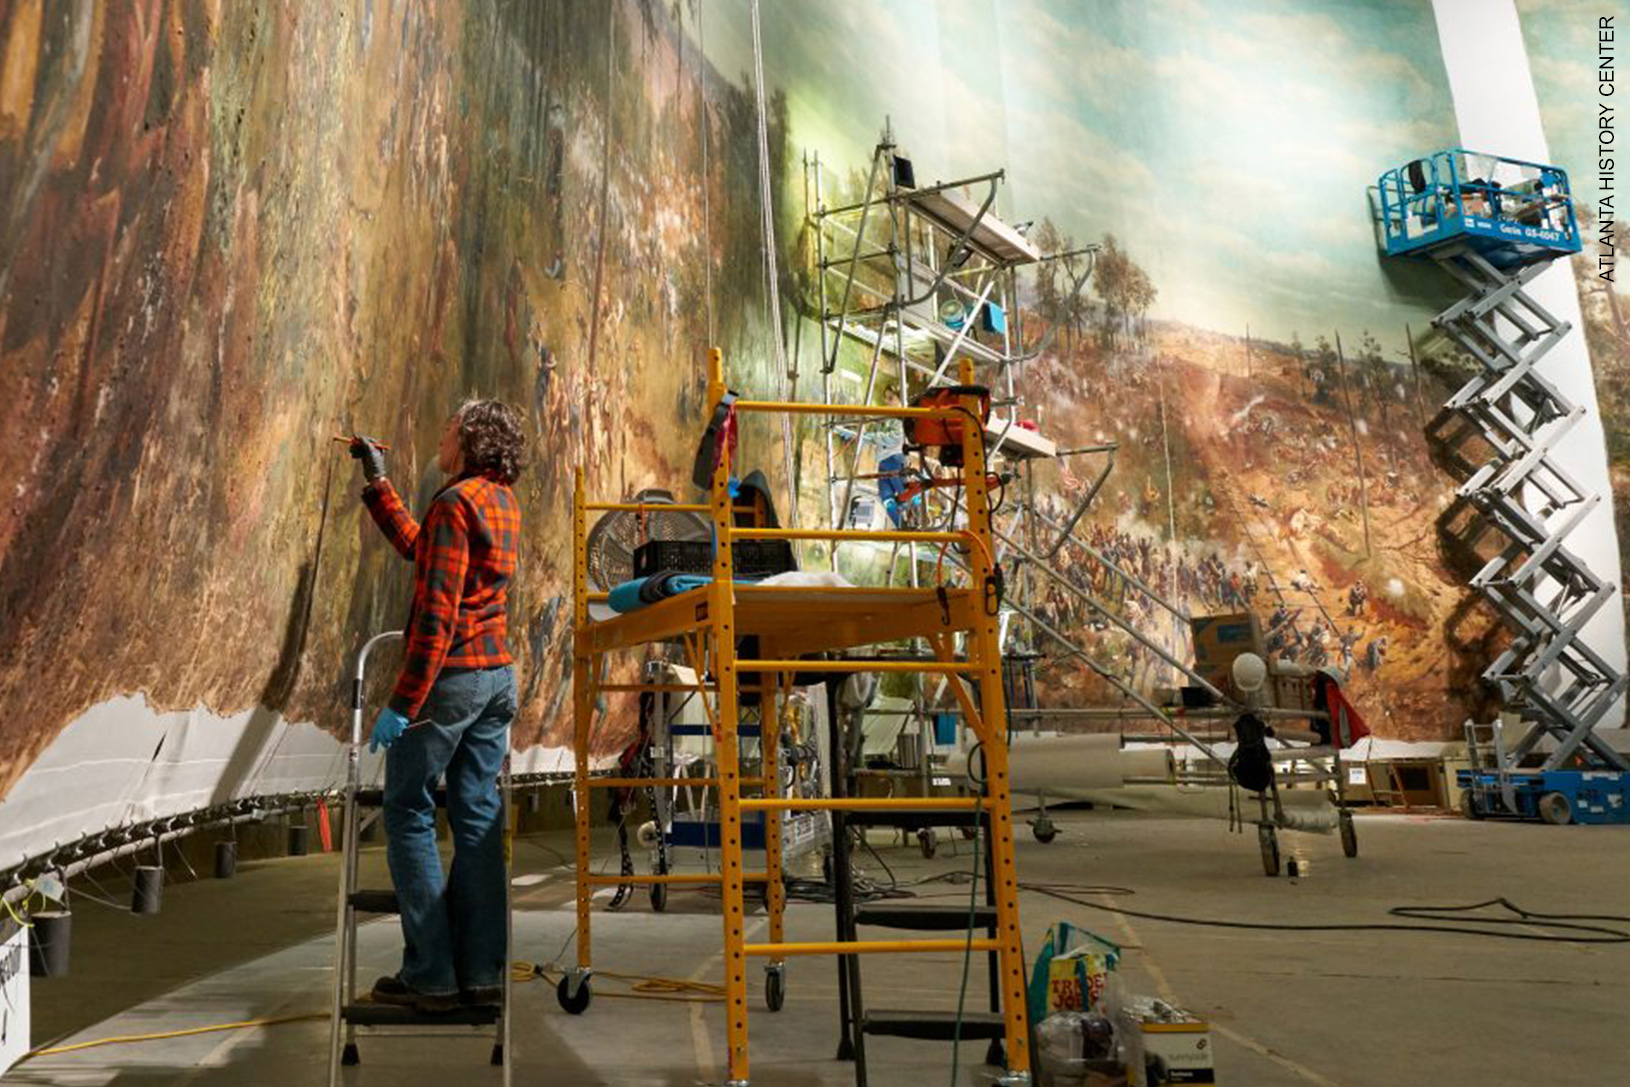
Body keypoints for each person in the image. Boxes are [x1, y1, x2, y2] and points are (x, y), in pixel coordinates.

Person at [348, 399, 527, 1013]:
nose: (440, 439)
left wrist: (402, 702)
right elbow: (423, 550)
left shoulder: (455, 504)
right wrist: (378, 482)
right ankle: (480, 973)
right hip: (497, 677)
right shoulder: (500, 501)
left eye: (448, 429)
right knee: (477, 819)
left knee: (407, 810)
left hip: (452, 679)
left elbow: (435, 618)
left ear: (469, 439)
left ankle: (430, 974)